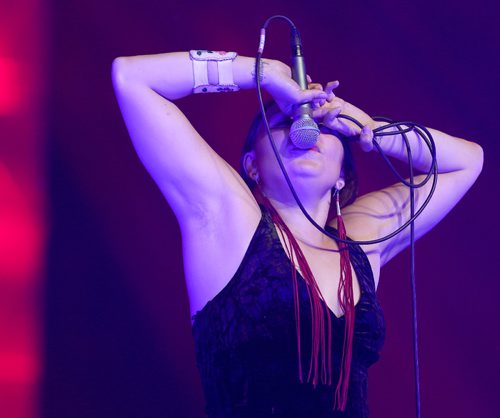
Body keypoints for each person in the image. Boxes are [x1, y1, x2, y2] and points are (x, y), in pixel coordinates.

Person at [111, 50, 483, 417]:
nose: (303, 126)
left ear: (342, 176)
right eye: (285, 117)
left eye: (322, 123)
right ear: (252, 166)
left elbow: (467, 162)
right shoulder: (230, 219)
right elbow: (133, 78)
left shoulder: (359, 242)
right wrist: (266, 74)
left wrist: (370, 127)